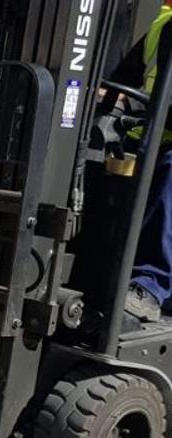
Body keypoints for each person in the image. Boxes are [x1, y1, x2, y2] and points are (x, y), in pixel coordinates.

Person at [118, 1, 172, 325]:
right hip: (151, 135)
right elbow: (122, 79)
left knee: (170, 173)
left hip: (164, 141)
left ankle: (150, 286)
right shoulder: (162, 25)